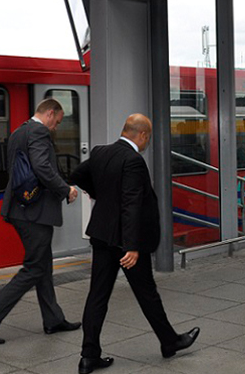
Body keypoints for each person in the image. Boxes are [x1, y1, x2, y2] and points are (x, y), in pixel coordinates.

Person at [70, 114, 199, 374]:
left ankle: (88, 356)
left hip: (102, 236)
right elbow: (131, 204)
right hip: (125, 242)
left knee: (97, 296)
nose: (147, 142)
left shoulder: (100, 152)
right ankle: (170, 342)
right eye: (148, 137)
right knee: (147, 293)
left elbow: (77, 174)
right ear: (142, 135)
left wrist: (100, 195)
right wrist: (131, 246)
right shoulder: (133, 161)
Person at [0, 99, 80, 346]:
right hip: (35, 213)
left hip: (21, 209)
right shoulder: (39, 132)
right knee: (34, 267)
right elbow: (42, 167)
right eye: (58, 121)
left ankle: (53, 319)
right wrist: (66, 190)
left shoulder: (19, 132)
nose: (56, 126)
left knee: (43, 266)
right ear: (50, 113)